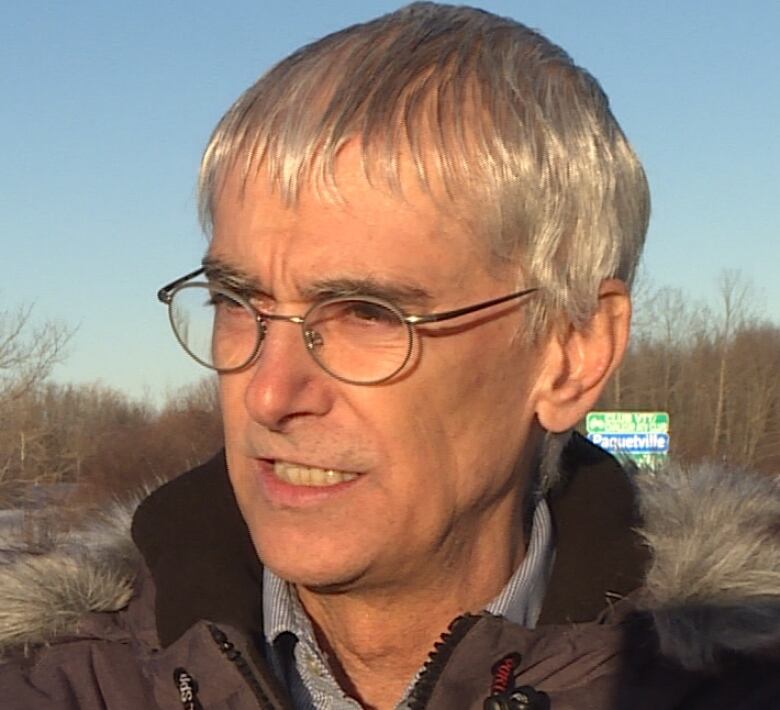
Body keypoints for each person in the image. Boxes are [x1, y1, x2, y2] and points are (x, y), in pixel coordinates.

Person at [2, 3, 779, 708]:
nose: (269, 392)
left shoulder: (721, 682)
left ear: (573, 352)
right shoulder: (66, 682)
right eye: (239, 304)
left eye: (367, 314)